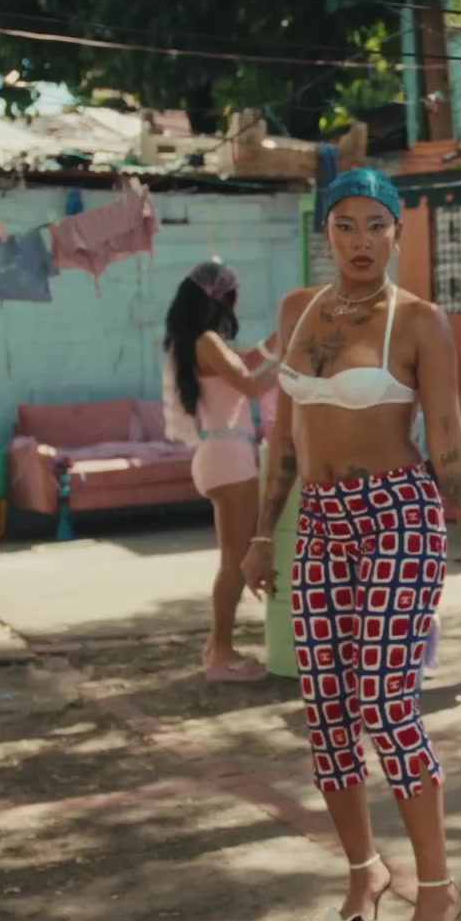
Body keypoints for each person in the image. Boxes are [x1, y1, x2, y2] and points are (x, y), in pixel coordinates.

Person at [240, 168, 461, 921]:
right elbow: (285, 438)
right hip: (318, 521)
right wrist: (261, 535)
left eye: (376, 226)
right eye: (345, 225)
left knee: (385, 704)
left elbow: (449, 442)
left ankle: (436, 889)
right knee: (326, 712)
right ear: (325, 232)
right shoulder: (298, 311)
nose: (361, 241)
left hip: (398, 515)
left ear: (397, 232)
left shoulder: (419, 322)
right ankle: (365, 872)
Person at [161, 259, 279, 683]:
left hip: (220, 453)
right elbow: (253, 385)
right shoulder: (208, 341)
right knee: (235, 561)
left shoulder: (201, 342)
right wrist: (297, 359)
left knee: (232, 558)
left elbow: (246, 360)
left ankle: (216, 647)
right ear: (220, 298)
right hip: (229, 457)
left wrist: (281, 339)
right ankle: (222, 653)